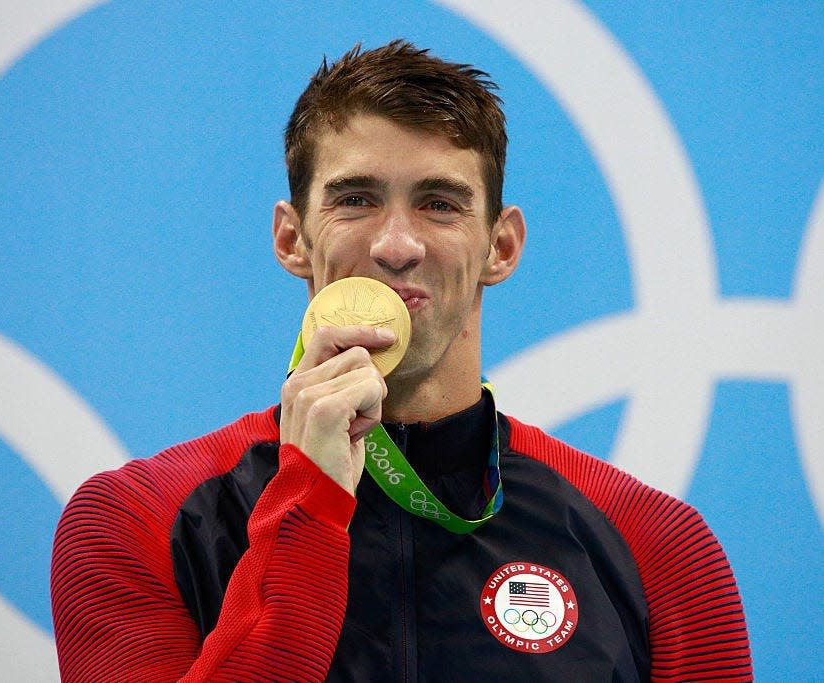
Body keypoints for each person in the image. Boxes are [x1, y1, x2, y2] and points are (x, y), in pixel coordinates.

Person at [51, 41, 752, 681]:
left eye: (439, 204)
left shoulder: (657, 545)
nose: (396, 245)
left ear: (501, 248)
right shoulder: (137, 520)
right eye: (356, 199)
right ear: (292, 238)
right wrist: (310, 500)